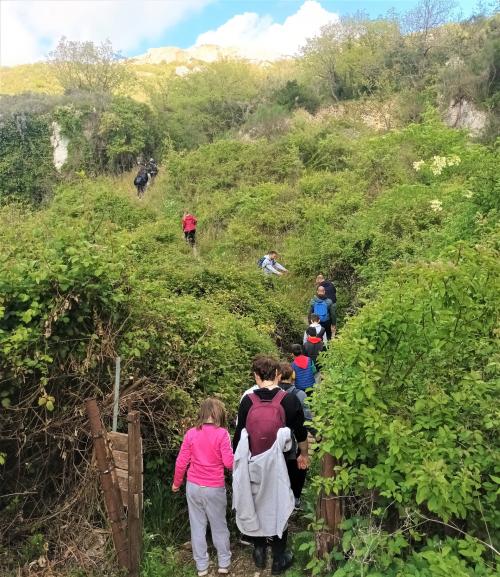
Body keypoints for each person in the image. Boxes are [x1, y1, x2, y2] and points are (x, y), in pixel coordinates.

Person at [233, 356, 309, 575]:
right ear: (278, 374)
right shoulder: (290, 400)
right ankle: (279, 558)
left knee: (256, 502)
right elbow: (301, 433)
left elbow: (239, 436)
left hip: (254, 463)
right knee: (279, 504)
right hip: (283, 463)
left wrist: (238, 464)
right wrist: (304, 454)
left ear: (256, 376)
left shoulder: (247, 401)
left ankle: (258, 551)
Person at [172, 398, 233, 576]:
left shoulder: (191, 433)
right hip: (214, 487)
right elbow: (229, 463)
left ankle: (201, 567)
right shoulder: (222, 434)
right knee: (219, 525)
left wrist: (177, 482)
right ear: (219, 414)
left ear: (202, 414)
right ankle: (223, 562)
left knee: (197, 526)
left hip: (193, 486)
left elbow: (181, 461)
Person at [278, 362, 310, 509]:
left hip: (276, 441)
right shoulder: (299, 394)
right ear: (293, 376)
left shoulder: (273, 394)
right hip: (295, 439)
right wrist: (317, 434)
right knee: (299, 468)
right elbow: (307, 419)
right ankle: (295, 499)